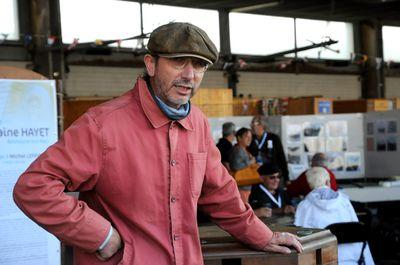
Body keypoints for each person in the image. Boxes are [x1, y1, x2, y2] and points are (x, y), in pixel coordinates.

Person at [13, 22, 301, 265]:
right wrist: (101, 235)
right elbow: (34, 188)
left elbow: (219, 192)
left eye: (199, 65)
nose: (189, 75)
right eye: (178, 62)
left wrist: (262, 235)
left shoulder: (197, 124)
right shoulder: (103, 125)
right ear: (150, 64)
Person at [294, 167, 374, 265]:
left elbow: (300, 239)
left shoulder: (304, 206)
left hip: (323, 260)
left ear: (310, 185)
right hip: (354, 259)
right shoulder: (344, 202)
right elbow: (358, 230)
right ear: (328, 182)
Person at [248, 115, 289, 183]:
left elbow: (281, 158)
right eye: (251, 124)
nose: (251, 126)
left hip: (273, 175)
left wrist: (286, 177)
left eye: (254, 124)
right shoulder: (250, 139)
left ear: (262, 125)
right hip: (256, 176)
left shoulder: (273, 138)